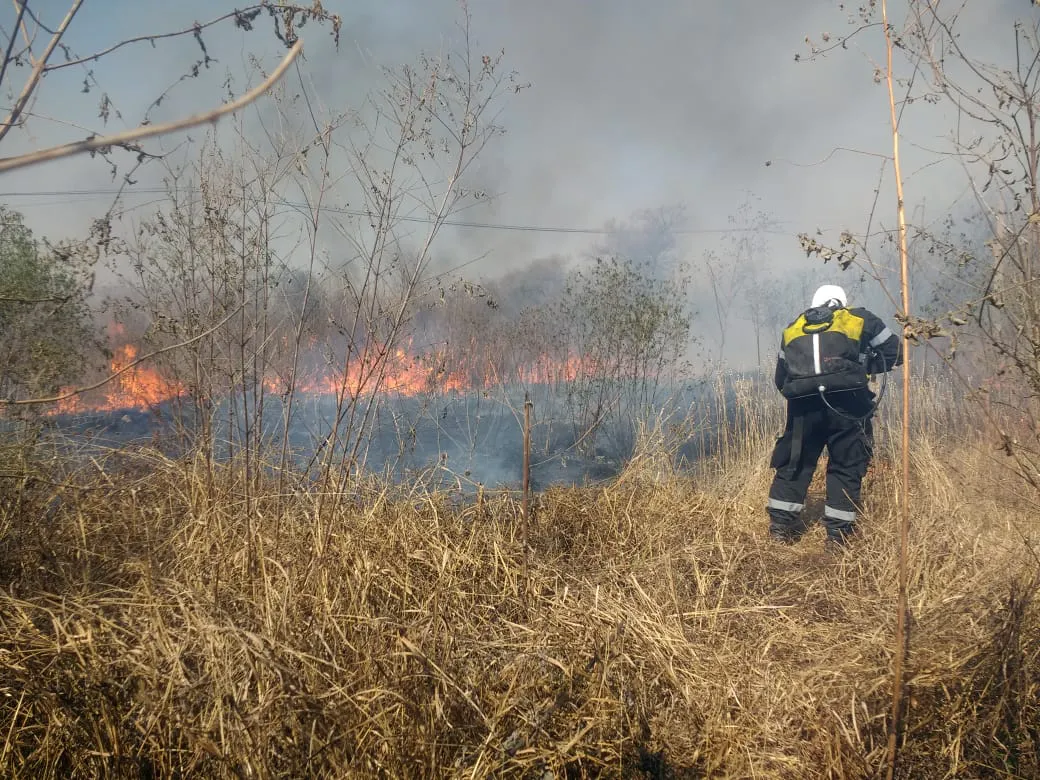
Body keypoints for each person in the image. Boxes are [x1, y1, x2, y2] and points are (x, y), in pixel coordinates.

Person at [767, 284, 902, 549]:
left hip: (803, 407)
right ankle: (837, 538)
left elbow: (781, 378)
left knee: (795, 462)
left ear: (814, 303)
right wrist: (860, 370)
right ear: (841, 303)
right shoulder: (860, 319)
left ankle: (780, 530)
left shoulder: (793, 328)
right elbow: (894, 352)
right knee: (846, 464)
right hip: (849, 404)